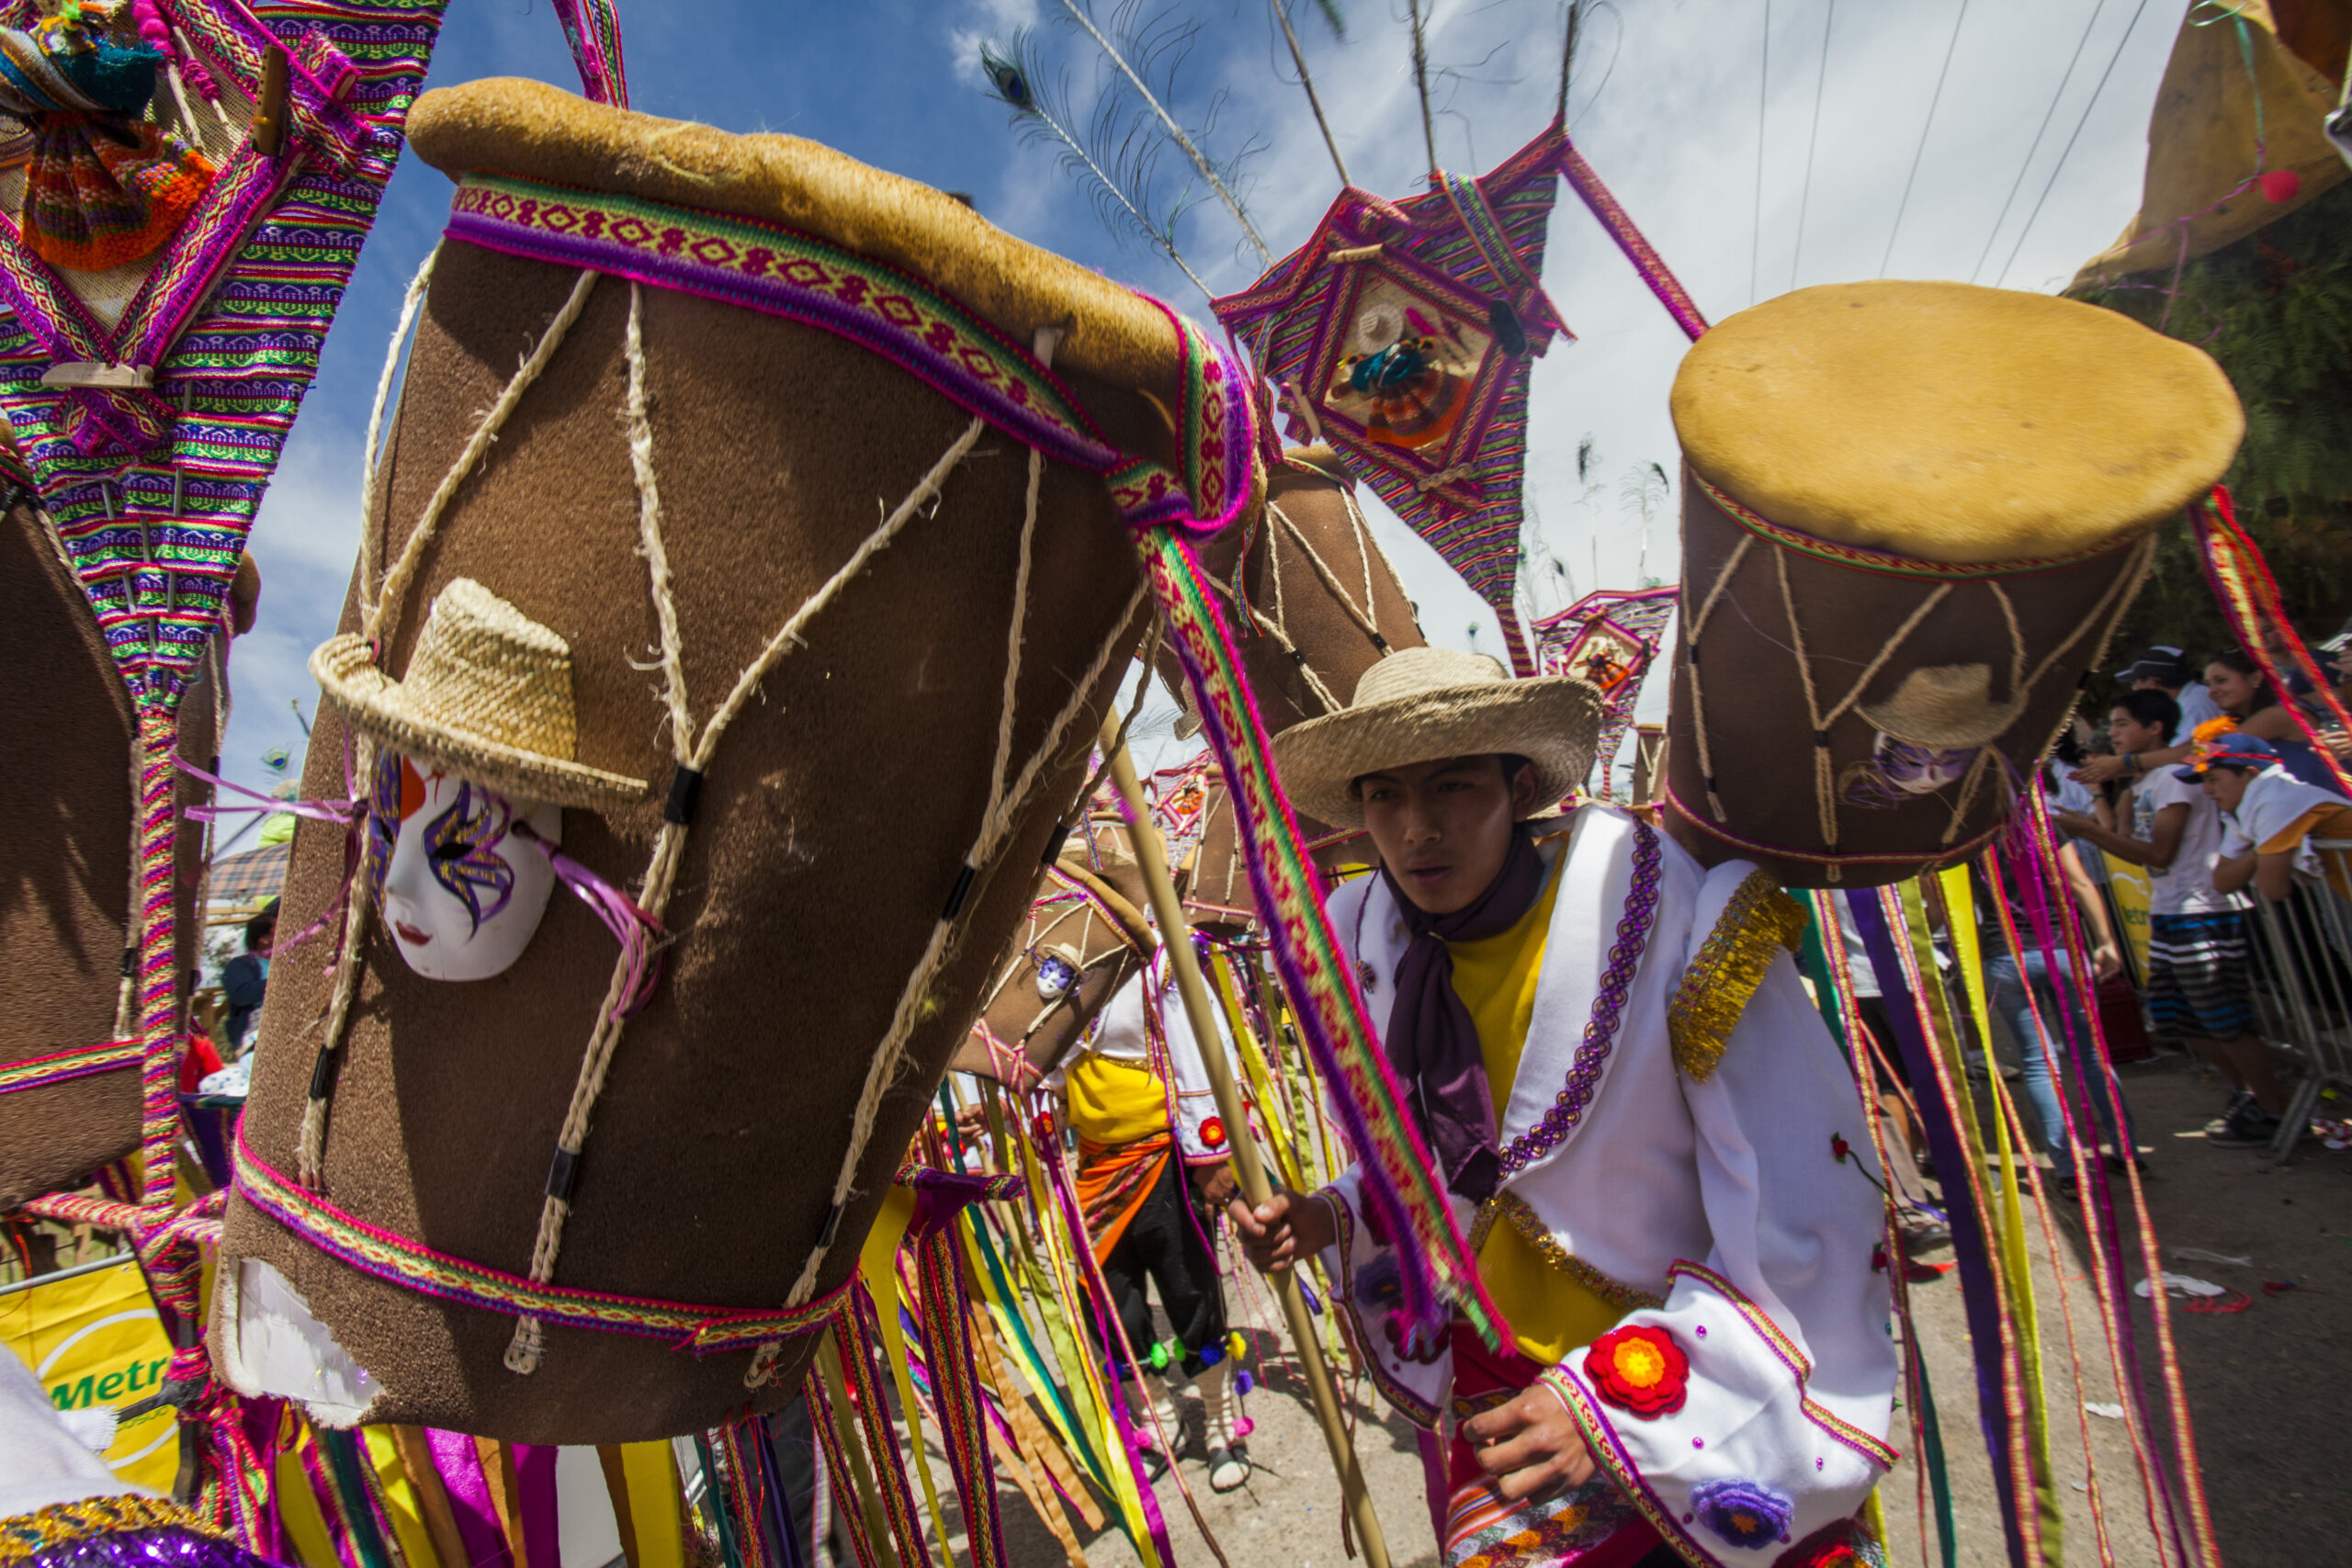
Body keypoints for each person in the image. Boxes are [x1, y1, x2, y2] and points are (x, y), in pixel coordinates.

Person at [1235, 648, 1894, 1567]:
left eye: (1453, 785)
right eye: (1384, 795)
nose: (1417, 829)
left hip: (1678, 1375)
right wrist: (1333, 1212)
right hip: (1494, 1381)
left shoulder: (1675, 916)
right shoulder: (1362, 942)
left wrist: (1617, 1406)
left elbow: (1807, 1202)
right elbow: (1436, 1157)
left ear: (1519, 785)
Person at [1051, 961, 1250, 1491]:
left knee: (1190, 1293)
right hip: (1095, 1166)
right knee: (1113, 1305)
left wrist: (1211, 1155)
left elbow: (1199, 1051)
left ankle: (1219, 1424)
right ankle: (1159, 1416)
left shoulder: (1156, 957)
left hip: (1161, 1155)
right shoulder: (1055, 949)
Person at [2056, 695, 2277, 1147]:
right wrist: (2103, 801)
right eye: (2111, 725)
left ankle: (2274, 1109)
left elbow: (2158, 854)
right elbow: (2122, 839)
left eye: (2122, 724)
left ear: (2155, 728)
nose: (2113, 734)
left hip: (2204, 914)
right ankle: (2245, 1095)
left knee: (2227, 1022)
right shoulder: (2149, 783)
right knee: (2178, 1021)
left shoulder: (2179, 780)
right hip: (2169, 912)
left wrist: (2085, 830)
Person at [220, 898, 276, 1053]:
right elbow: (241, 994)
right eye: (277, 931)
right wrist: (280, 983)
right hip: (253, 1037)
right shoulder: (240, 965)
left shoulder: (284, 963)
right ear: (263, 940)